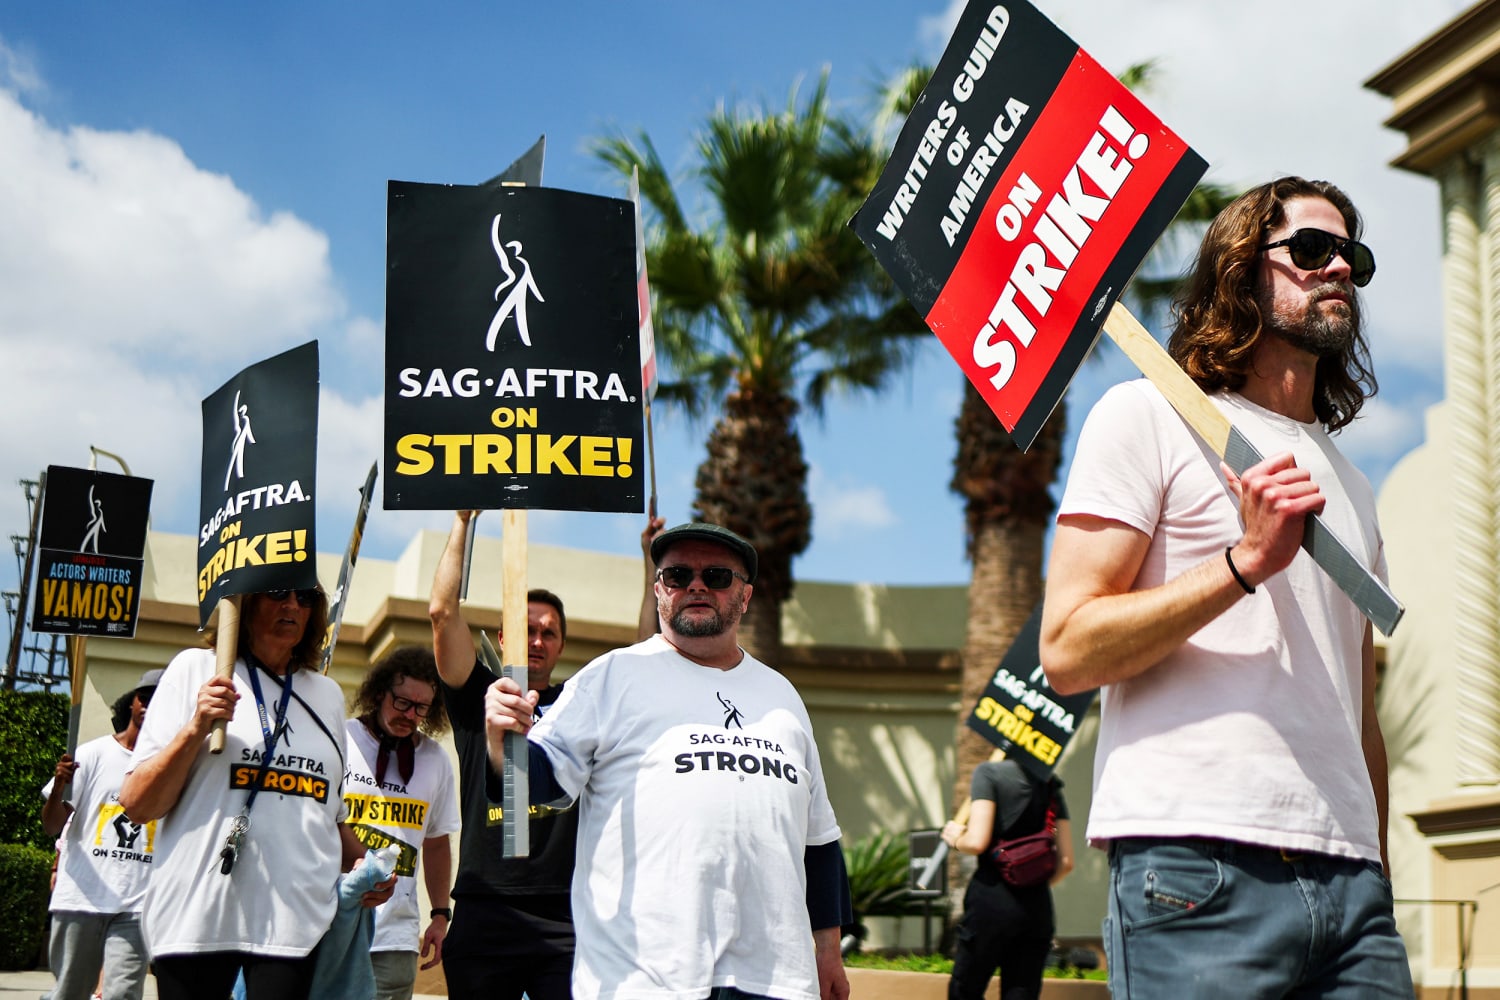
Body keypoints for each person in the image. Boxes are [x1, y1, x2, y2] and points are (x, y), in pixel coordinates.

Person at [1039, 177, 1413, 997]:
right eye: (1312, 250)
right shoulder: (1144, 416)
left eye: (1354, 256)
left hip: (1354, 897)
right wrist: (1244, 562)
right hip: (1196, 867)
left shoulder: (1352, 485)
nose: (1339, 269)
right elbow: (1066, 650)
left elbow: (1360, 711)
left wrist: (1376, 870)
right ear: (1242, 270)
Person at [484, 521, 852, 1000]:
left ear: (744, 597)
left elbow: (818, 841)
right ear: (659, 590)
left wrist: (828, 950)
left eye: (717, 576)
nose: (696, 585)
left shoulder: (783, 697)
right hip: (643, 979)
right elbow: (535, 785)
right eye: (678, 575)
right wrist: (501, 740)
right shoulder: (612, 676)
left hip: (775, 978)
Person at [119, 587, 392, 1000]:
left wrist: (367, 869)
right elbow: (138, 803)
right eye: (277, 594)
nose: (292, 606)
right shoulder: (196, 670)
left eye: (304, 598)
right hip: (197, 917)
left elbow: (325, 814)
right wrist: (196, 727)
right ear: (243, 606)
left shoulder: (327, 695)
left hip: (293, 925)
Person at [428, 509, 578, 1000]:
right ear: (500, 637)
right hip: (484, 905)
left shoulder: (580, 706)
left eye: (548, 632)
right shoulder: (477, 697)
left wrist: (647, 564)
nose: (536, 640)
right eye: (526, 628)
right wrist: (463, 522)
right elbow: (442, 614)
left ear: (559, 646)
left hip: (565, 916)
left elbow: (645, 651)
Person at [344, 646, 461, 1000]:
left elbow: (437, 842)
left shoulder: (436, 761)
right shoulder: (341, 738)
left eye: (421, 707)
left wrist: (440, 914)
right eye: (402, 702)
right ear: (380, 692)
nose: (410, 715)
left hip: (395, 936)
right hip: (332, 920)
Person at [39, 670, 162, 1000]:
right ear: (131, 703)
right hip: (82, 898)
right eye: (144, 698)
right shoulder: (93, 754)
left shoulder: (171, 766)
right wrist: (59, 788)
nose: (151, 706)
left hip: (137, 904)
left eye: (160, 700)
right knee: (70, 992)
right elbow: (52, 826)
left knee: (122, 994)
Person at [940, 759, 1073, 1000]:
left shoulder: (989, 773)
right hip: (1037, 907)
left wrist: (956, 838)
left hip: (990, 901)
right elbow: (1066, 862)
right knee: (1022, 991)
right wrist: (1030, 882)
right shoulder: (1050, 782)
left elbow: (978, 841)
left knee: (966, 989)